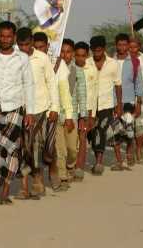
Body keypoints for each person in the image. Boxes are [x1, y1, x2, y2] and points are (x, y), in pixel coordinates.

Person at [0, 21, 34, 205]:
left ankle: (4, 188)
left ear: (14, 37)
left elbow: (28, 84)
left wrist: (29, 112)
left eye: (8, 36)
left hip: (15, 107)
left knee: (10, 148)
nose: (5, 39)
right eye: (2, 36)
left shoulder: (22, 58)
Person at [16, 28, 59, 198]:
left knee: (40, 146)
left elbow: (51, 82)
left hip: (41, 108)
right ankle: (30, 183)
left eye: (27, 44)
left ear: (32, 42)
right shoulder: (14, 58)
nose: (24, 48)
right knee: (25, 146)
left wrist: (54, 107)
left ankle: (45, 174)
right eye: (21, 45)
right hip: (22, 109)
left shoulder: (42, 58)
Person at [33, 33, 74, 192]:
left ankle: (53, 170)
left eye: (42, 47)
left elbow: (64, 91)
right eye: (35, 47)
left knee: (51, 148)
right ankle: (38, 180)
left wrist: (68, 115)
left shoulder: (58, 64)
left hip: (51, 112)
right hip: (34, 112)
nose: (39, 50)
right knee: (34, 147)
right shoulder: (28, 62)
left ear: (47, 46)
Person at [55, 39, 88, 186]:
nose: (64, 55)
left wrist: (83, 116)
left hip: (72, 116)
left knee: (71, 149)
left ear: (73, 54)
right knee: (60, 149)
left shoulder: (77, 71)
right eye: (62, 51)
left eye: (68, 52)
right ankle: (62, 176)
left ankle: (70, 166)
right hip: (56, 115)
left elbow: (82, 94)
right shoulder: (53, 69)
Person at [88, 35, 122, 176]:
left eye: (99, 50)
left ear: (104, 49)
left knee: (101, 131)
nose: (97, 53)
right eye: (94, 50)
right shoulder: (87, 63)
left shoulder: (113, 63)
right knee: (92, 133)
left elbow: (118, 85)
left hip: (106, 104)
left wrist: (119, 104)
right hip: (90, 105)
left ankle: (99, 163)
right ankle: (97, 158)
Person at [111, 37, 143, 171]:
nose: (122, 47)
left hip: (129, 101)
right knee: (114, 132)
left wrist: (139, 103)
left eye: (125, 44)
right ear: (116, 45)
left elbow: (139, 83)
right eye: (120, 44)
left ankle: (130, 152)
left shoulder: (135, 62)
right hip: (112, 101)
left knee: (129, 131)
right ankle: (119, 159)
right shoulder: (110, 61)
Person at [73, 41, 96, 181]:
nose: (80, 58)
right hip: (71, 110)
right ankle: (71, 166)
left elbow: (94, 93)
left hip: (86, 110)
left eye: (83, 56)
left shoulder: (92, 70)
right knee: (72, 140)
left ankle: (79, 169)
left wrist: (91, 114)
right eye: (78, 55)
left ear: (87, 55)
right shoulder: (70, 68)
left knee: (82, 138)